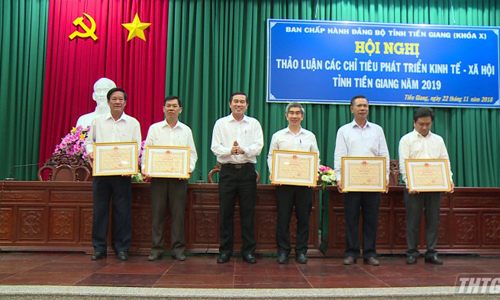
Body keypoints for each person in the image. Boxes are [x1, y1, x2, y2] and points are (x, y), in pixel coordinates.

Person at [84, 87, 141, 261]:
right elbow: (88, 142)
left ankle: (122, 248)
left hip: (123, 175)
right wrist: (91, 154)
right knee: (100, 211)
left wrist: (131, 166)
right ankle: (99, 248)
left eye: (121, 99)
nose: (117, 102)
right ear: (108, 102)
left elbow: (136, 147)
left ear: (125, 102)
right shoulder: (97, 121)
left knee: (122, 211)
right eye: (114, 99)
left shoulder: (133, 123)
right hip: (102, 173)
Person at [334, 95, 390, 266]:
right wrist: (339, 178)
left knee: (371, 218)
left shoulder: (377, 130)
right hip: (352, 181)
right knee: (351, 218)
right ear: (352, 109)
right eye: (359, 105)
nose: (362, 108)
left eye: (365, 105)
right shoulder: (344, 130)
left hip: (373, 182)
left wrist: (385, 177)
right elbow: (340, 156)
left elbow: (383, 155)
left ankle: (369, 253)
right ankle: (351, 253)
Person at [142, 96, 198, 261]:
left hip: (179, 179)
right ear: (163, 109)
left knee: (178, 214)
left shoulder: (186, 130)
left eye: (174, 106)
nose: (171, 109)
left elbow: (192, 154)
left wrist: (189, 168)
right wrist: (146, 169)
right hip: (158, 178)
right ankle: (156, 248)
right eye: (168, 106)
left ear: (180, 109)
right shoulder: (155, 129)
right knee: (157, 214)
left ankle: (178, 249)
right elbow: (147, 152)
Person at [211, 92, 264, 264]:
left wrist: (243, 151)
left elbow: (258, 146)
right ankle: (225, 251)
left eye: (242, 102)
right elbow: (215, 147)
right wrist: (230, 151)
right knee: (226, 213)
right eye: (235, 101)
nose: (238, 104)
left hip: (247, 172)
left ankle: (248, 251)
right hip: (227, 172)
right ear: (230, 104)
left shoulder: (254, 123)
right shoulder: (221, 123)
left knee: (247, 213)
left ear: (247, 105)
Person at [399, 107, 454, 265]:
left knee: (433, 220)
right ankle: (412, 252)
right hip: (414, 188)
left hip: (434, 187)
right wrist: (410, 183)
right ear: (414, 122)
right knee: (413, 221)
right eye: (421, 124)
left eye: (428, 124)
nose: (424, 127)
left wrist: (448, 179)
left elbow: (445, 161)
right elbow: (404, 163)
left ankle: (431, 251)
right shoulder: (406, 140)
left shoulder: (438, 140)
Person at [267, 103, 320, 264]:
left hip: (304, 185)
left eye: (298, 113)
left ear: (302, 116)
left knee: (303, 219)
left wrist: (314, 175)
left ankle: (301, 251)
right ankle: (283, 251)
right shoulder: (278, 136)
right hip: (284, 184)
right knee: (283, 218)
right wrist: (274, 172)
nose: (295, 115)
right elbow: (271, 156)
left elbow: (315, 158)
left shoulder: (310, 136)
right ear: (286, 116)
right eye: (292, 113)